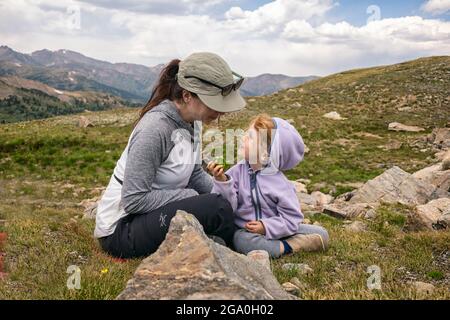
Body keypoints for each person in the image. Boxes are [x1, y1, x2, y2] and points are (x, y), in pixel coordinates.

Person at [94, 52, 247, 258]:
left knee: (222, 203)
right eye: (214, 103)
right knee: (215, 208)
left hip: (150, 216)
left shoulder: (193, 123)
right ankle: (244, 245)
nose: (221, 112)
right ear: (187, 96)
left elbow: (193, 173)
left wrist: (229, 194)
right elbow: (133, 199)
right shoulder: (154, 129)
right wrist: (190, 196)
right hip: (121, 230)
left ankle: (239, 238)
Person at [208, 113, 329, 258]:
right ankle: (290, 246)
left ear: (265, 154)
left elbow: (291, 218)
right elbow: (227, 207)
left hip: (276, 229)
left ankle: (283, 245)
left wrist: (266, 227)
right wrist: (222, 181)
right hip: (244, 231)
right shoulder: (236, 172)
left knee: (323, 233)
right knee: (241, 240)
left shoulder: (280, 184)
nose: (243, 138)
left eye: (250, 138)